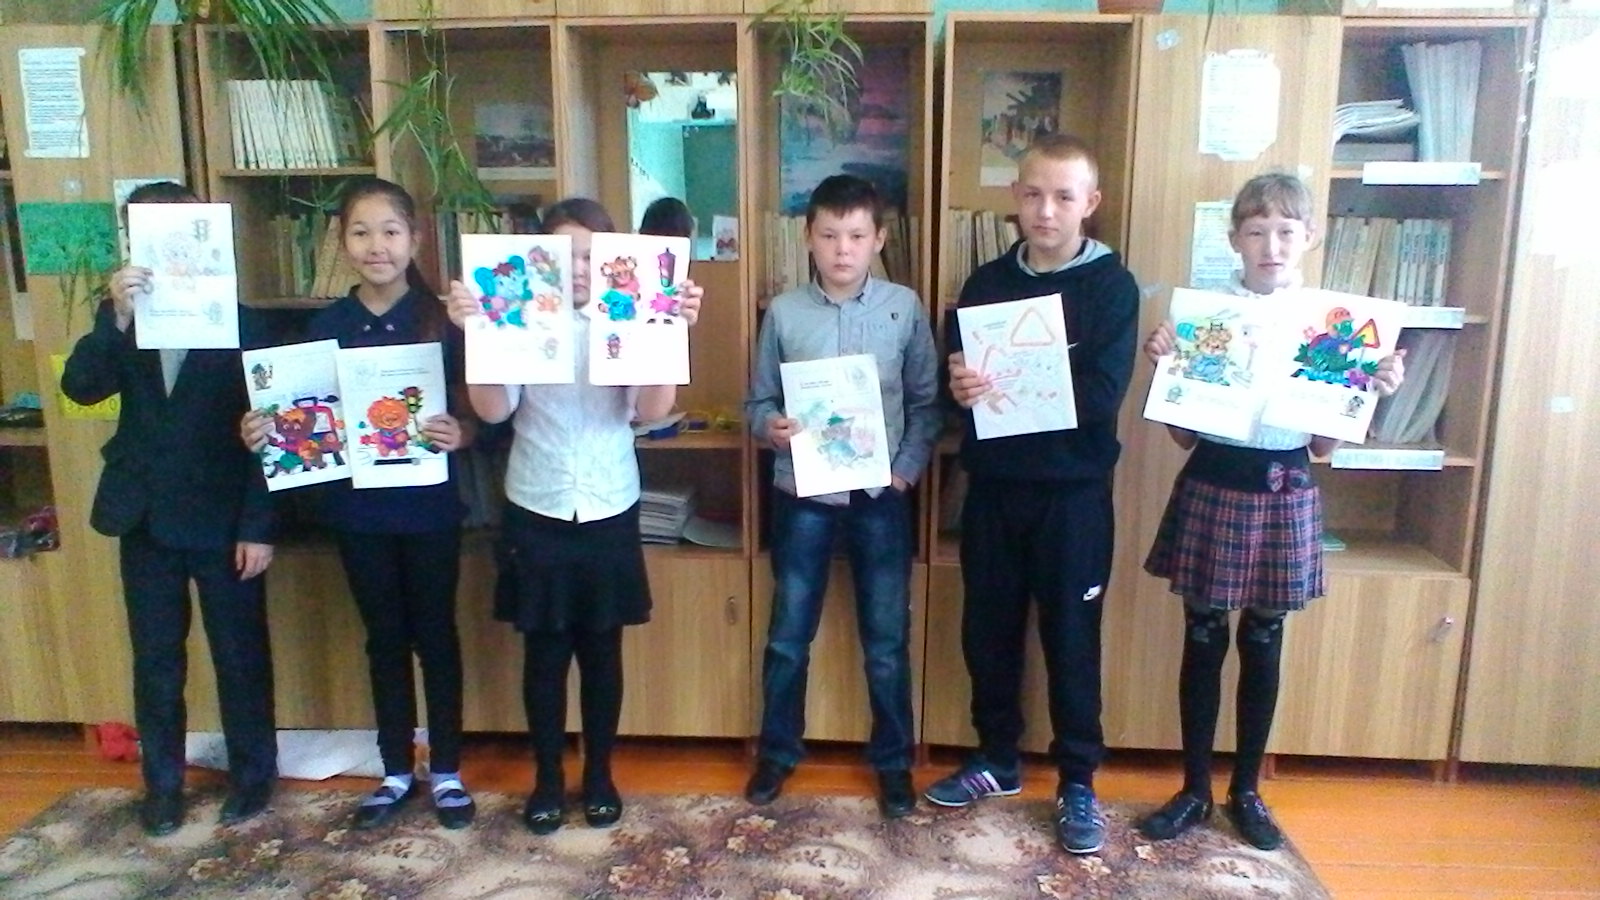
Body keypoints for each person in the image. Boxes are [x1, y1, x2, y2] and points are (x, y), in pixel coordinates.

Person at [1136, 172, 1404, 851]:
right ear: (1235, 239)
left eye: (1285, 231)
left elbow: (1322, 445)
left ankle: (1246, 791)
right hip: (1212, 482)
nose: (1271, 246)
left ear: (1309, 237)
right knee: (1202, 640)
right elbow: (1184, 436)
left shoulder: (1335, 326)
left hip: (1285, 489)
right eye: (1256, 232)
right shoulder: (1208, 315)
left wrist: (1369, 392)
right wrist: (1167, 373)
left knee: (1264, 640)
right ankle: (1194, 790)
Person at [445, 197, 704, 835]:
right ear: (543, 259)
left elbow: (650, 411)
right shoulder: (523, 317)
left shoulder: (629, 313)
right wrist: (480, 333)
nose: (580, 268)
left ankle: (600, 776)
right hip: (537, 502)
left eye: (590, 256)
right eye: (565, 256)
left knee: (602, 652)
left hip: (610, 501)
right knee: (545, 653)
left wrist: (667, 332)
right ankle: (546, 778)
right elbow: (495, 411)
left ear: (614, 258)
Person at [241, 176, 477, 830]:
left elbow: (487, 410)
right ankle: (395, 768)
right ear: (342, 243)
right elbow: (301, 425)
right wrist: (265, 431)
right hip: (358, 513)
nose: (378, 246)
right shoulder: (325, 327)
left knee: (437, 636)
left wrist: (464, 432)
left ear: (415, 240)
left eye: (391, 231)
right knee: (384, 640)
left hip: (430, 508)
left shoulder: (444, 320)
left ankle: (448, 769)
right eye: (362, 232)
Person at [928, 134, 1140, 855]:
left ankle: (1078, 779)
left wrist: (1028, 381)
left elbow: (1104, 394)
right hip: (992, 489)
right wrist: (960, 388)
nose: (1046, 210)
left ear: (1090, 203)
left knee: (1071, 637)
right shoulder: (986, 284)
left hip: (1073, 497)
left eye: (1063, 197)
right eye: (1033, 194)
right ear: (1015, 198)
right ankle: (997, 757)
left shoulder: (1111, 287)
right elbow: (956, 390)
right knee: (987, 631)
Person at [62, 181, 278, 836]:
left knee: (240, 657)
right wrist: (116, 316)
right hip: (147, 517)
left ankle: (252, 778)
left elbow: (274, 434)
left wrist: (258, 526)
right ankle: (162, 785)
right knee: (156, 661)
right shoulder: (121, 319)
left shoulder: (244, 323)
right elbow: (81, 386)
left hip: (224, 518)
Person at [743, 174, 940, 819]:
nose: (842, 249)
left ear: (879, 239)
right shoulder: (784, 312)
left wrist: (904, 472)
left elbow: (926, 402)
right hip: (802, 494)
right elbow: (757, 402)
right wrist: (769, 428)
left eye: (856, 236)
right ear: (808, 238)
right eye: (829, 235)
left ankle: (892, 762)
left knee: (885, 640)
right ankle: (778, 752)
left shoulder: (903, 308)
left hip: (880, 496)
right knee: (787, 635)